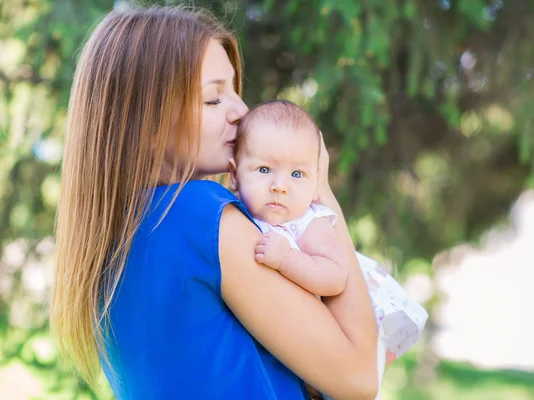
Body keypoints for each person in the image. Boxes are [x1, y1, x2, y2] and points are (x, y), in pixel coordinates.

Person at [50, 5, 379, 400]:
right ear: (146, 125)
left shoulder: (112, 235)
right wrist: (319, 188)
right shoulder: (199, 216)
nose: (241, 111)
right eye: (213, 99)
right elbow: (359, 379)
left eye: (235, 91)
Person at [228, 100, 428, 399]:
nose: (280, 185)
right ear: (234, 174)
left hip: (339, 338)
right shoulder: (235, 217)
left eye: (297, 174)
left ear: (315, 180)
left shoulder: (310, 223)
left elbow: (335, 278)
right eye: (264, 169)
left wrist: (287, 259)